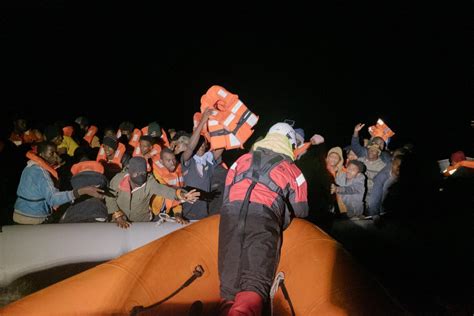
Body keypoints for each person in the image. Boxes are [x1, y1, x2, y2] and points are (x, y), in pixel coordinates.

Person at [218, 122, 308, 315]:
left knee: (229, 283)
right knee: (255, 283)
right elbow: (302, 210)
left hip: (230, 217)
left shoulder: (241, 160)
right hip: (263, 219)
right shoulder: (293, 171)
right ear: (290, 144)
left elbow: (226, 194)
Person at [13, 142, 104, 224]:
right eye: (51, 153)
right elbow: (53, 199)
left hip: (20, 212)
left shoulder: (30, 166)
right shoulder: (40, 172)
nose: (55, 156)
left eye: (56, 152)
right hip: (32, 218)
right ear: (41, 154)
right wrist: (82, 191)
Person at [105, 157, 200, 228]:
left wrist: (182, 195)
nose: (141, 176)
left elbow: (165, 190)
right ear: (130, 173)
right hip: (119, 219)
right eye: (137, 174)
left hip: (142, 222)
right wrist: (118, 217)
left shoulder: (149, 183)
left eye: (143, 173)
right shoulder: (118, 180)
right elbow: (110, 197)